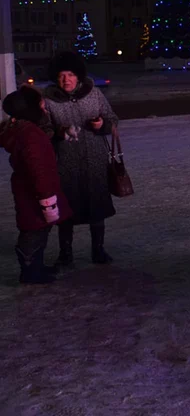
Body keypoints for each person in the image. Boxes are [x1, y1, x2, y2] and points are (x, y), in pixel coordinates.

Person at [43, 52, 119, 266]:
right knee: (66, 209)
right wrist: (60, 132)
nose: (65, 79)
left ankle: (98, 250)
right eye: (61, 75)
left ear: (78, 76)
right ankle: (65, 254)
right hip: (65, 164)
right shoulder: (48, 100)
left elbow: (113, 119)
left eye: (70, 74)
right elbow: (44, 130)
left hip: (95, 161)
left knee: (96, 208)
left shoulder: (93, 94)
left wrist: (101, 124)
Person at [1, 87, 73, 284]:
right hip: (36, 194)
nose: (46, 110)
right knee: (35, 230)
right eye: (42, 107)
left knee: (37, 229)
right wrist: (48, 202)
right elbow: (39, 170)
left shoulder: (23, 130)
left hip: (28, 191)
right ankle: (30, 270)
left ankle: (36, 265)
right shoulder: (32, 135)